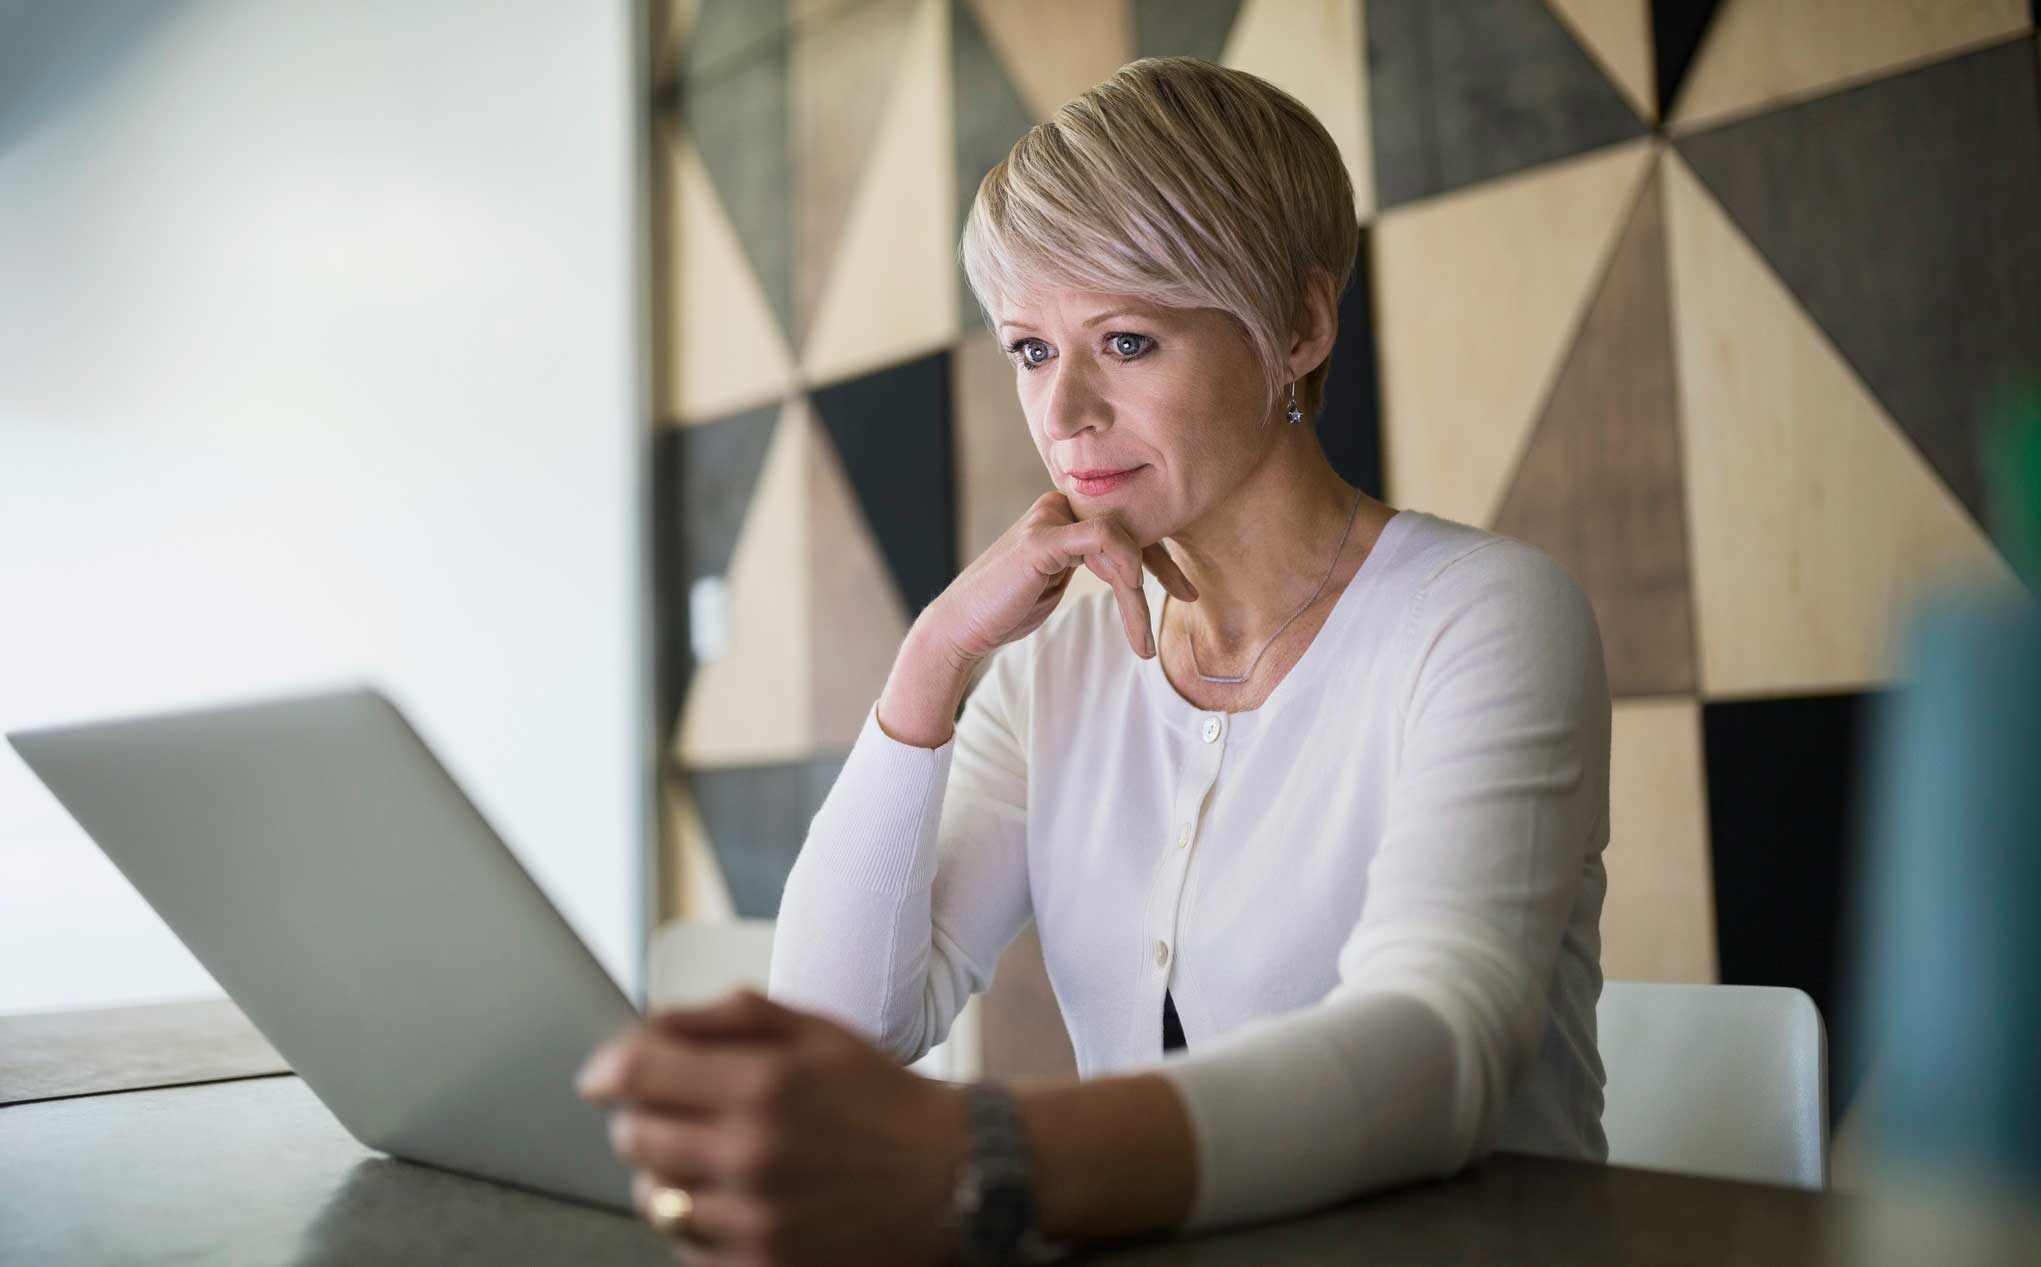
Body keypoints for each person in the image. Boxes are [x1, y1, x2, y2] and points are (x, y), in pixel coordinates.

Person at [578, 54, 1612, 1266]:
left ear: (1297, 325)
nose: (1062, 411)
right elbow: (846, 1026)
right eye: (1028, 349)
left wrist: (979, 1156)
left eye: (1124, 340)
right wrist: (933, 661)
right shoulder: (1052, 659)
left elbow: (1435, 1051)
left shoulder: (1481, 617)